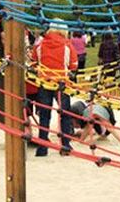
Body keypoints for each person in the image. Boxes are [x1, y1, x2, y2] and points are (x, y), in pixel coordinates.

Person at [32, 20, 78, 157]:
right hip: (61, 83)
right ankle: (65, 145)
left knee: (44, 115)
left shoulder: (40, 45)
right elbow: (74, 65)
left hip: (45, 83)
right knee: (64, 114)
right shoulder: (67, 45)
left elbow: (35, 63)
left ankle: (42, 147)